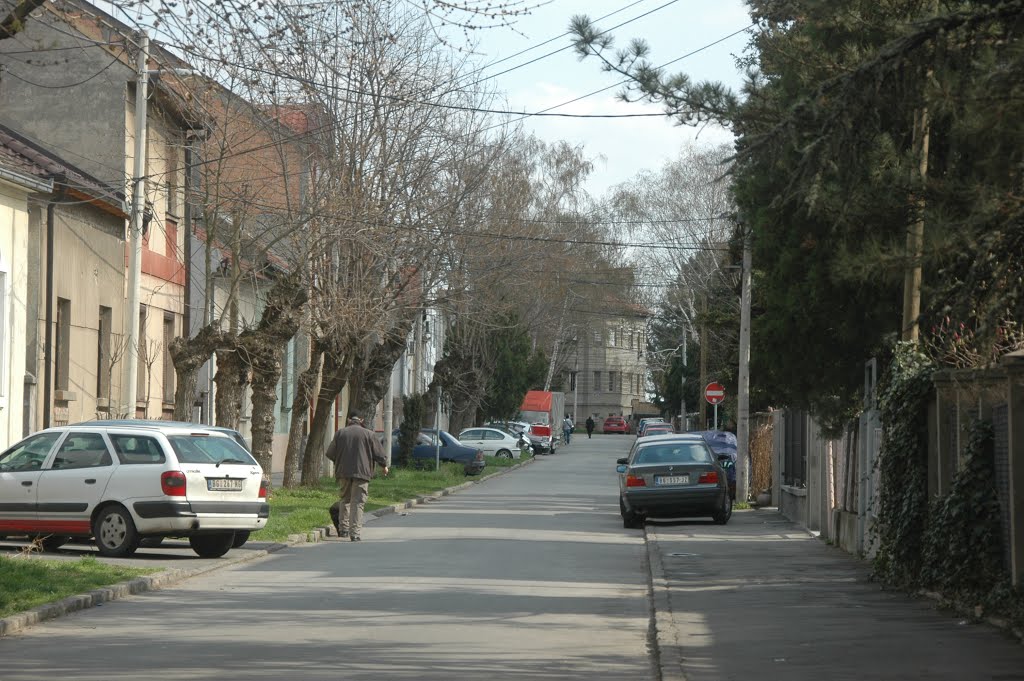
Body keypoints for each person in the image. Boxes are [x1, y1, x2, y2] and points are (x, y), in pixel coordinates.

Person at [325, 412, 388, 542]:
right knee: (358, 503)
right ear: (362, 419)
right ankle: (355, 533)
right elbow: (379, 454)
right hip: (362, 473)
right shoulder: (369, 434)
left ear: (348, 419)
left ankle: (343, 530)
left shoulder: (340, 433)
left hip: (343, 473)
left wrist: (340, 461)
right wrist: (384, 465)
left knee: (345, 500)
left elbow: (330, 453)